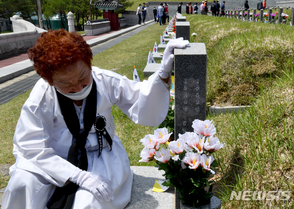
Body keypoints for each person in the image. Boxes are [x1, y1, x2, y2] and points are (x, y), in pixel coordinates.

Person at [1, 29, 189, 209]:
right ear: (50, 80)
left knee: (88, 202)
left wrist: (162, 75)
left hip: (100, 155)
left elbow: (141, 102)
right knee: (22, 186)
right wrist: (76, 175)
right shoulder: (41, 96)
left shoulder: (104, 80)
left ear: (89, 64)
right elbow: (30, 147)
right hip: (54, 158)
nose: (77, 88)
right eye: (65, 84)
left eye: (83, 77)